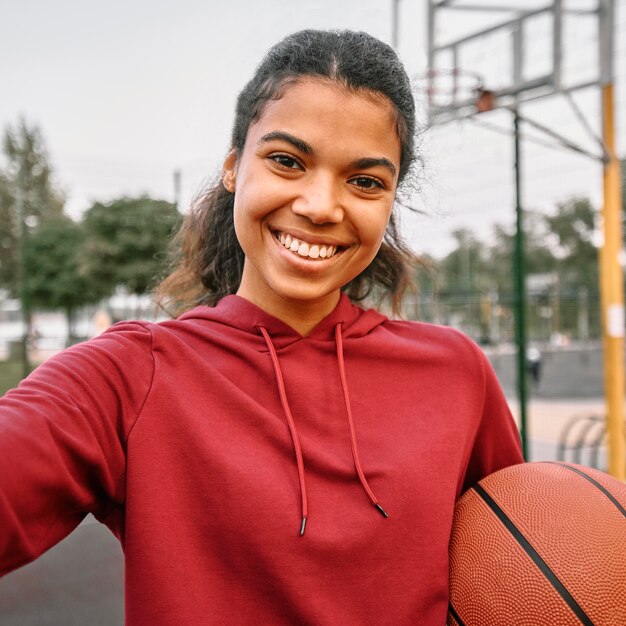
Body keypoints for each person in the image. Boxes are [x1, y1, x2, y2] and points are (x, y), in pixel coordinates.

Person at [0, 29, 523, 625]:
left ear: (390, 200)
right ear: (232, 167)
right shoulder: (130, 375)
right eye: (287, 161)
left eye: (366, 181)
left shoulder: (455, 373)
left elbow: (523, 565)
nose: (322, 205)